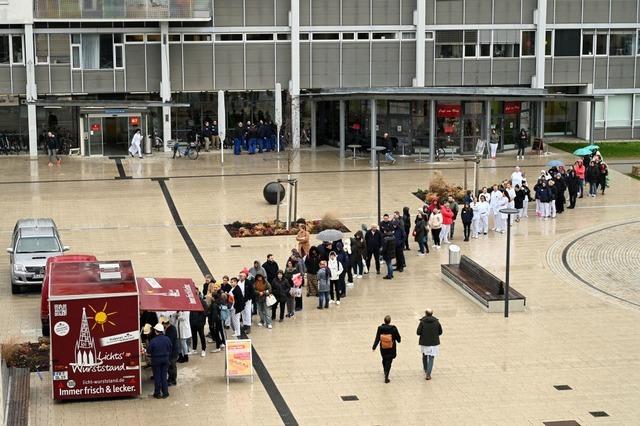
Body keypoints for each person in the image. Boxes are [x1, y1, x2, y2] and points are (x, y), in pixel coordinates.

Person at [372, 315, 402, 383]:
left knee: (384, 359)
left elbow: (377, 338)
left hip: (383, 347)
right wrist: (398, 340)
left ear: (384, 321)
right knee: (389, 361)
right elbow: (398, 338)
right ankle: (386, 375)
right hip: (391, 348)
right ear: (390, 321)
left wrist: (374, 347)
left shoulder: (380, 328)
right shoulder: (393, 328)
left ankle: (385, 370)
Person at [417, 309, 443, 381]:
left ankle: (425, 368)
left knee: (424, 356)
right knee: (431, 358)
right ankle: (428, 374)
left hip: (424, 342)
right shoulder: (436, 322)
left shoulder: (422, 322)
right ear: (432, 313)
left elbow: (418, 332)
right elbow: (440, 332)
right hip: (434, 343)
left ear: (425, 313)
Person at [148, 323, 172, 399]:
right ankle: (165, 393)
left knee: (157, 377)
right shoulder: (167, 339)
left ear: (156, 331)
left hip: (156, 361)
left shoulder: (153, 341)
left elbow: (148, 351)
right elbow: (170, 348)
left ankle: (157, 393)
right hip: (165, 360)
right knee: (164, 377)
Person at [161, 316, 179, 386]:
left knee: (172, 366)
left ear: (164, 323)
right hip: (171, 351)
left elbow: (169, 341)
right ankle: (170, 379)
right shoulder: (169, 328)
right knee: (170, 366)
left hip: (173, 351)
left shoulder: (171, 329)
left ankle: (173, 380)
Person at [189, 289, 207, 357]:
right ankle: (194, 349)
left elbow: (206, 312)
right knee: (194, 336)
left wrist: (202, 320)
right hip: (193, 322)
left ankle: (203, 349)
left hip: (200, 323)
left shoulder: (202, 302)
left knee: (202, 336)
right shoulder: (191, 302)